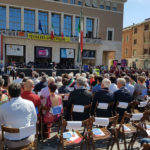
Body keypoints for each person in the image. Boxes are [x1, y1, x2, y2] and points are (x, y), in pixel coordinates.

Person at [0, 83, 37, 149]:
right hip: (27, 140)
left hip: (10, 142)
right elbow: (34, 121)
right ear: (21, 92)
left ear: (8, 93)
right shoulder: (30, 103)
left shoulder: (3, 107)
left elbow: (1, 124)